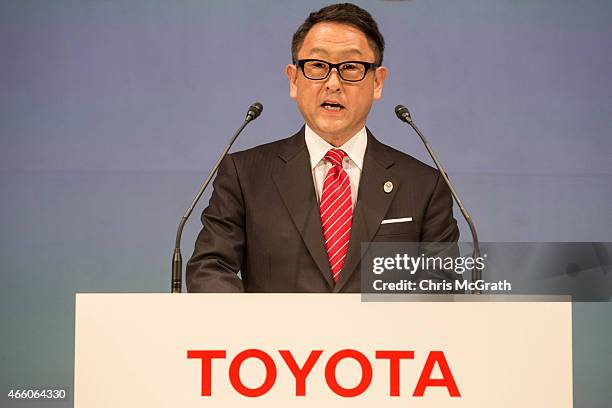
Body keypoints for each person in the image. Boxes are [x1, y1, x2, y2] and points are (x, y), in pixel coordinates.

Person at [186, 3, 459, 293]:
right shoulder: (245, 175)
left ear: (377, 82)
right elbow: (210, 268)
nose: (333, 83)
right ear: (293, 79)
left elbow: (442, 285)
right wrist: (256, 331)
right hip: (275, 338)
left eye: (351, 67)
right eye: (317, 66)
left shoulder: (424, 185)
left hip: (382, 339)